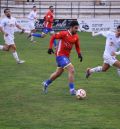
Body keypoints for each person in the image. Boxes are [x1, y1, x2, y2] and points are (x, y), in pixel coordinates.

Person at [42, 21, 83, 95]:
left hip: (66, 57)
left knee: (58, 73)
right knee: (71, 69)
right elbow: (53, 37)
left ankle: (46, 83)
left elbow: (77, 46)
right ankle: (72, 90)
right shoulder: (64, 33)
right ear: (71, 27)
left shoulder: (76, 36)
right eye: (75, 28)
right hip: (60, 55)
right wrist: (50, 48)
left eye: (77, 28)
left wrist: (79, 54)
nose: (77, 30)